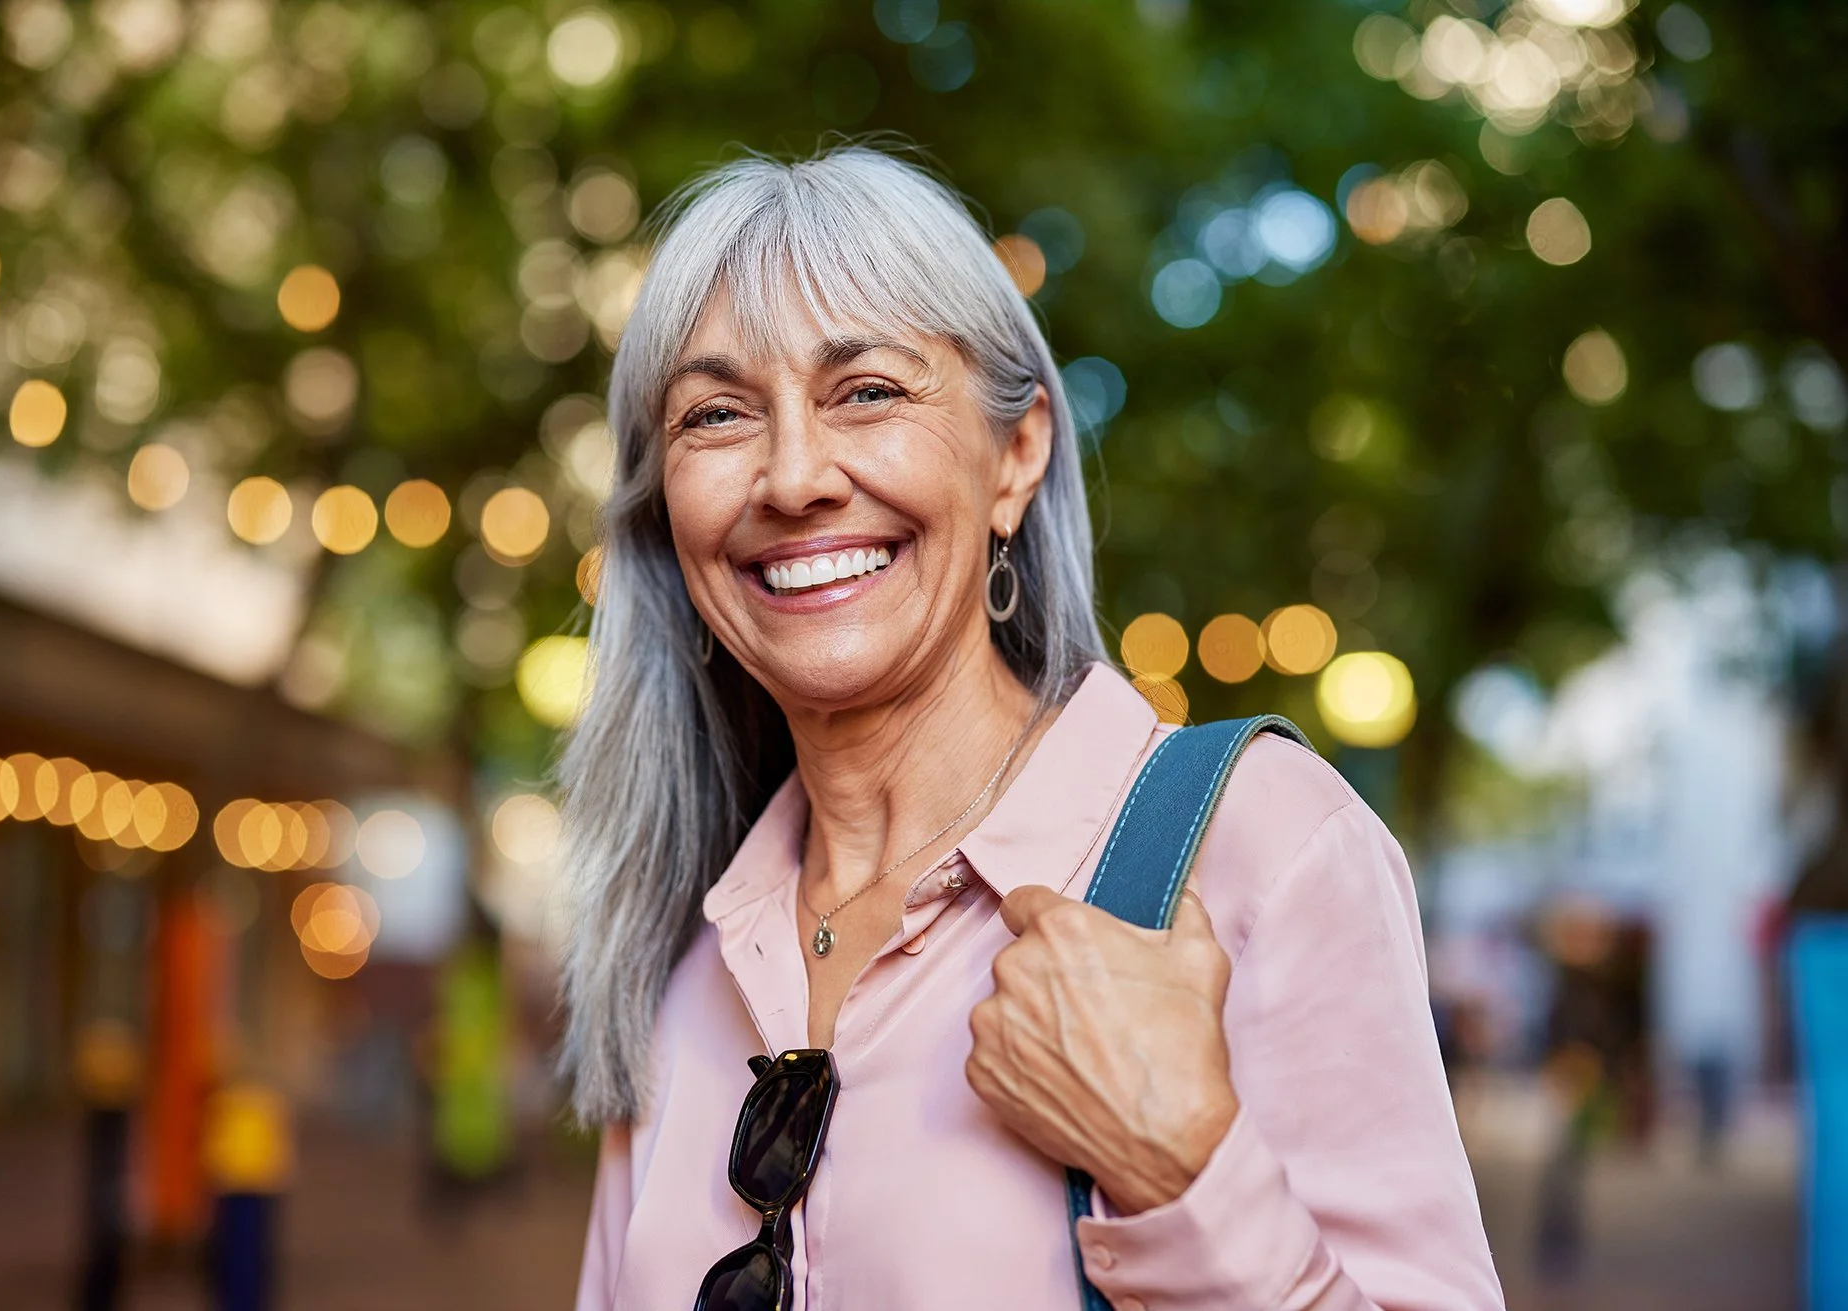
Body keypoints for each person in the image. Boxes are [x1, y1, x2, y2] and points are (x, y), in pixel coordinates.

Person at [561, 146, 1503, 1311]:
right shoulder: (682, 959)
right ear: (667, 511)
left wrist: (1181, 1167)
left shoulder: (1262, 846)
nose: (793, 476)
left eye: (867, 390)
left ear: (1016, 455)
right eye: (715, 414)